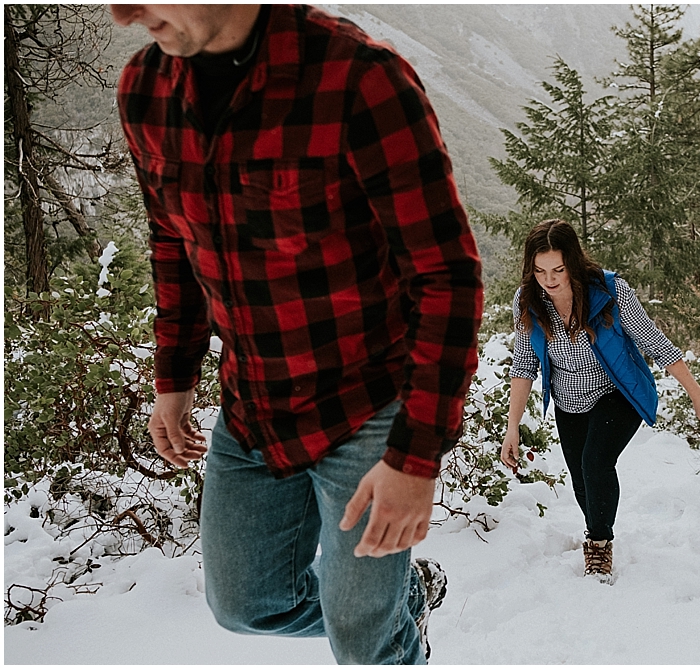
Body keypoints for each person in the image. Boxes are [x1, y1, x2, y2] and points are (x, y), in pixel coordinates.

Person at [112, 4, 483, 663]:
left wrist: (415, 455)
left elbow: (446, 274)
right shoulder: (144, 90)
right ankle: (397, 599)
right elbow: (172, 240)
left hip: (366, 404)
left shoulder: (359, 81)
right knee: (244, 604)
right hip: (252, 401)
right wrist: (174, 377)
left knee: (366, 642)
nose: (122, 13)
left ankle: (378, 617)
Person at [500, 219, 700, 584]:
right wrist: (512, 427)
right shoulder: (528, 302)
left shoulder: (610, 291)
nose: (549, 279)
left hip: (617, 392)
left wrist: (698, 396)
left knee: (595, 461)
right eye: (540, 271)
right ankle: (596, 527)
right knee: (582, 481)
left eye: (558, 269)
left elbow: (655, 342)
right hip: (568, 400)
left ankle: (599, 546)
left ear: (573, 262)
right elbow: (524, 365)